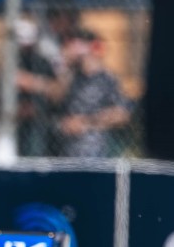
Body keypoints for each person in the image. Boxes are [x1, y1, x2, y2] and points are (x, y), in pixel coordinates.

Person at [50, 28, 130, 158]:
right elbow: (55, 97)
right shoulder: (71, 77)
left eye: (74, 44)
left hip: (96, 152)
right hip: (66, 151)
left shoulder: (107, 79)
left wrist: (85, 122)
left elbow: (122, 114)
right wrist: (62, 65)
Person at [14, 18, 57, 156]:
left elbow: (55, 89)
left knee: (39, 153)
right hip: (20, 119)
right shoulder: (14, 60)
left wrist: (32, 83)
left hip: (40, 118)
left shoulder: (42, 62)